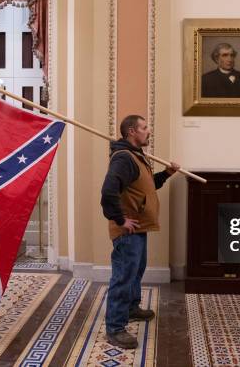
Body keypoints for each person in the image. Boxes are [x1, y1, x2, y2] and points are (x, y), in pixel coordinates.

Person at [100, 115, 180, 349]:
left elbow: (145, 187)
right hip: (128, 231)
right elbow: (108, 192)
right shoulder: (123, 158)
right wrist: (119, 219)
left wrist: (166, 174)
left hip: (140, 227)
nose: (149, 131)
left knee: (136, 271)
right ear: (132, 131)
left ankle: (132, 308)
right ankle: (114, 328)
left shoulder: (137, 157)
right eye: (144, 128)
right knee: (123, 276)